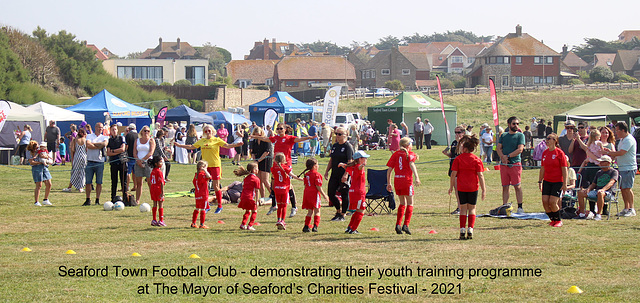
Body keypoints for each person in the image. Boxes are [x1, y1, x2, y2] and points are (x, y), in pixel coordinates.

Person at [175, 124, 243, 214]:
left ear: (212, 131)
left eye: (209, 131)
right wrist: (180, 146)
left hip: (215, 165)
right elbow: (192, 147)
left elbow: (227, 145)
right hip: (205, 167)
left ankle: (219, 206)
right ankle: (206, 206)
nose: (207, 132)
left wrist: (236, 145)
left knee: (216, 187)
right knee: (205, 186)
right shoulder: (202, 140)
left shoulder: (216, 140)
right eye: (205, 131)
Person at [251, 122, 315, 217]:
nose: (279, 130)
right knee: (273, 183)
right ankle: (274, 205)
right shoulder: (276, 138)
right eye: (278, 128)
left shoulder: (289, 138)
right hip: (276, 164)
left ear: (285, 129)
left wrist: (308, 137)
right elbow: (266, 139)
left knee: (288, 185)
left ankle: (294, 206)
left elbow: (299, 139)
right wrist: (255, 137)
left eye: (281, 128)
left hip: (286, 164)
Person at [449, 135, 486, 240]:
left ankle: (462, 230)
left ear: (465, 148)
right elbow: (480, 175)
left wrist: (451, 187)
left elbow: (453, 174)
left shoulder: (458, 159)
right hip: (473, 187)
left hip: (461, 187)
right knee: (472, 208)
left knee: (463, 209)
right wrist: (484, 189)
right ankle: (470, 229)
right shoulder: (477, 160)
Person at [387, 137, 421, 235]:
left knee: (402, 203)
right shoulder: (410, 154)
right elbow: (412, 164)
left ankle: (398, 224)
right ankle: (406, 225)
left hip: (397, 180)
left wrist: (388, 183)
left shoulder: (395, 154)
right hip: (407, 181)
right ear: (408, 145)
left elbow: (389, 170)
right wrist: (417, 177)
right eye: (411, 144)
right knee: (410, 203)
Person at [606, 122, 637, 217]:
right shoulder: (623, 139)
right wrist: (610, 152)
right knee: (623, 188)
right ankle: (626, 208)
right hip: (622, 167)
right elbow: (618, 153)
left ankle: (631, 209)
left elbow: (622, 153)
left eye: (617, 130)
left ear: (623, 130)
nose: (616, 132)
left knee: (627, 188)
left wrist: (610, 153)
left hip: (629, 167)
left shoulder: (629, 139)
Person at [323, 126, 354, 222]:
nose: (337, 136)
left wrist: (346, 174)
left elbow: (350, 161)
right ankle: (338, 210)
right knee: (331, 193)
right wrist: (327, 171)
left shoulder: (348, 146)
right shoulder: (335, 145)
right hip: (334, 173)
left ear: (346, 135)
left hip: (343, 173)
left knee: (344, 193)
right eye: (336, 134)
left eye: (340, 134)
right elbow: (332, 159)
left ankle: (343, 214)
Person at [496, 116, 526, 213]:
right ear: (509, 124)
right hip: (504, 165)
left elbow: (520, 149)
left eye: (517, 124)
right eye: (514, 124)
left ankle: (520, 207)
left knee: (517, 186)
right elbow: (498, 148)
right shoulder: (504, 135)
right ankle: (505, 206)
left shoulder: (520, 136)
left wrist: (508, 156)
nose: (516, 125)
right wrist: (502, 157)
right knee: (505, 186)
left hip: (515, 164)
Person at [538, 133, 568, 227]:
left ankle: (558, 220)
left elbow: (564, 168)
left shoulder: (559, 153)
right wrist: (540, 181)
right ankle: (552, 219)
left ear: (555, 141)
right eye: (546, 138)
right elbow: (542, 168)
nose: (547, 140)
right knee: (545, 201)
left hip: (557, 181)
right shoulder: (545, 153)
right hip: (547, 180)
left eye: (549, 138)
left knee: (552, 201)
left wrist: (565, 183)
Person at [576, 155, 618, 220]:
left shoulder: (614, 172)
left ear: (608, 163)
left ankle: (598, 215)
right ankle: (582, 214)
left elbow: (611, 182)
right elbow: (593, 184)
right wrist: (588, 189)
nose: (600, 164)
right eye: (600, 162)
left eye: (602, 162)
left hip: (609, 193)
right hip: (597, 191)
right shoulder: (599, 172)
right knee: (580, 193)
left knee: (600, 193)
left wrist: (603, 189)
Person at [340, 150, 370, 234]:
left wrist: (342, 165)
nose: (366, 160)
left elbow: (346, 167)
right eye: (365, 158)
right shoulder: (358, 166)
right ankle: (353, 229)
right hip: (359, 192)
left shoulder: (351, 167)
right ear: (360, 159)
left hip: (352, 191)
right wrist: (362, 165)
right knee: (361, 210)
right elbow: (359, 168)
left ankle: (350, 227)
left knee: (357, 210)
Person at [271, 153, 302, 230]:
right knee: (284, 205)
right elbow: (294, 176)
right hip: (284, 189)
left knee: (279, 205)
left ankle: (278, 219)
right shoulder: (286, 168)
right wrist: (302, 179)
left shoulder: (274, 169)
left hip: (277, 189)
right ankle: (283, 220)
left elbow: (273, 179)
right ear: (284, 160)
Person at [83, 123, 109, 206]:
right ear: (95, 127)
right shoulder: (89, 136)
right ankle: (88, 199)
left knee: (99, 182)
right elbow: (88, 145)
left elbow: (104, 144)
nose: (100, 129)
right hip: (90, 161)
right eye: (99, 127)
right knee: (88, 182)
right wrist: (99, 146)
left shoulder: (105, 137)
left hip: (100, 162)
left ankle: (97, 199)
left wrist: (93, 145)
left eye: (101, 128)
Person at [300, 158, 329, 233]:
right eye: (317, 164)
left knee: (310, 211)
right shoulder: (317, 174)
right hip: (314, 194)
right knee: (317, 210)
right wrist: (324, 195)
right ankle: (315, 226)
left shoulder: (307, 174)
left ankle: (306, 226)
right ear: (314, 166)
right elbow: (318, 186)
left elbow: (305, 184)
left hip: (307, 193)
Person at [444, 126, 465, 214]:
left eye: (459, 132)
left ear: (463, 133)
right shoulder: (454, 142)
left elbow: (462, 152)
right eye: (455, 132)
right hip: (453, 167)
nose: (457, 134)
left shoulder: (465, 142)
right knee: (456, 188)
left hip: (461, 168)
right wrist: (446, 153)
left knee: (460, 188)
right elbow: (453, 155)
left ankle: (461, 207)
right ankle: (459, 206)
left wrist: (459, 142)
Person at [235, 162, 261, 231]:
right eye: (257, 168)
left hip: (243, 196)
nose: (258, 170)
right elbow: (257, 191)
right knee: (254, 211)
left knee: (247, 211)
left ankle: (243, 224)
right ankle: (250, 225)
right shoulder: (256, 179)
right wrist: (257, 201)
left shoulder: (246, 178)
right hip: (250, 197)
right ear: (254, 170)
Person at [133, 125, 155, 206]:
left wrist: (142, 160)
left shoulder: (151, 140)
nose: (146, 132)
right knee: (139, 183)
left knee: (150, 182)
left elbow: (151, 152)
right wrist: (138, 161)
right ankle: (137, 200)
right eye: (145, 131)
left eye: (148, 131)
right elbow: (134, 152)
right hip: (138, 163)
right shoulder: (137, 140)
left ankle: (153, 198)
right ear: (141, 131)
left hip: (148, 163)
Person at [251, 127, 273, 205]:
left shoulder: (266, 141)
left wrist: (258, 160)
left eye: (259, 135)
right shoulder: (254, 141)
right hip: (257, 161)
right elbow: (253, 152)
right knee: (259, 180)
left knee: (265, 180)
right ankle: (263, 198)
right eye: (256, 135)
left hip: (266, 161)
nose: (257, 136)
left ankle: (273, 196)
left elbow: (267, 152)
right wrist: (254, 161)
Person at [27, 141, 53, 206]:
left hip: (44, 167)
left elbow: (45, 155)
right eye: (36, 147)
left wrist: (47, 158)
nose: (38, 147)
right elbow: (31, 162)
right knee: (39, 185)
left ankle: (45, 199)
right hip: (36, 168)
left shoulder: (40, 151)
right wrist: (39, 163)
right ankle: (36, 201)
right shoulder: (30, 153)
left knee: (49, 183)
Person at [106, 123, 126, 202]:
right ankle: (113, 198)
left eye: (115, 129)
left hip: (122, 161)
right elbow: (108, 153)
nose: (114, 131)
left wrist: (113, 151)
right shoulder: (109, 140)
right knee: (114, 181)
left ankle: (125, 197)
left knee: (123, 181)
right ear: (110, 131)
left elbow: (122, 149)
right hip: (113, 162)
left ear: (117, 130)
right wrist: (117, 151)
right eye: (112, 130)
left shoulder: (121, 138)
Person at [63, 128, 87, 192]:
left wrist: (72, 159)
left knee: (74, 171)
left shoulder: (75, 140)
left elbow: (73, 150)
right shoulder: (85, 140)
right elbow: (87, 150)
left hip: (77, 156)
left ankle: (70, 186)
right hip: (84, 157)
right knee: (82, 172)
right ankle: (81, 187)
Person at [192, 160, 212, 229]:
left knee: (197, 208)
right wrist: (205, 170)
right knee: (203, 209)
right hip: (203, 194)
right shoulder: (202, 175)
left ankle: (193, 223)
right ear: (202, 167)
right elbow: (209, 177)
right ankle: (202, 224)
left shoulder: (196, 175)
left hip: (197, 194)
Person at [148, 155, 166, 226]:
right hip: (158, 189)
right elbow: (161, 182)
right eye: (160, 162)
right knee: (160, 204)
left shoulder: (153, 171)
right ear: (156, 163)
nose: (161, 164)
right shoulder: (159, 171)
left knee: (154, 204)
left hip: (153, 188)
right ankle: (161, 220)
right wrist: (162, 192)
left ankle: (154, 219)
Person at [124, 123, 138, 191]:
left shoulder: (128, 135)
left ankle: (127, 186)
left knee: (128, 172)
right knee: (135, 172)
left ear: (129, 129)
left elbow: (126, 146)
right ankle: (135, 186)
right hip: (136, 156)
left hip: (129, 156)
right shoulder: (138, 135)